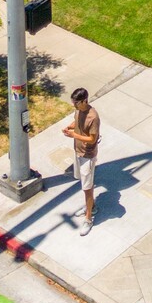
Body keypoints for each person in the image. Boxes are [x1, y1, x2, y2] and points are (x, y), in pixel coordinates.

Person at [68, 87, 100, 227]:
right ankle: (91, 207)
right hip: (78, 151)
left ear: (84, 100)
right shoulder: (79, 110)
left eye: (76, 103)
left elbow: (92, 139)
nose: (74, 105)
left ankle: (88, 219)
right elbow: (77, 121)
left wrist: (74, 135)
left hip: (87, 155)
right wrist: (70, 127)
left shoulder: (93, 117)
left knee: (87, 188)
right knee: (87, 185)